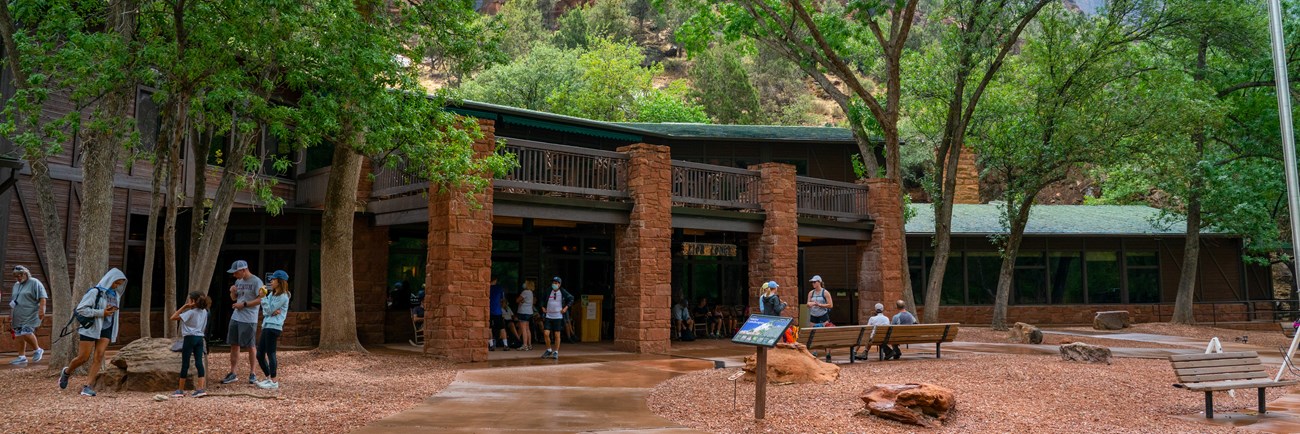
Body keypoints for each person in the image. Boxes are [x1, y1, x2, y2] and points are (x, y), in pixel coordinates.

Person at [59, 268, 126, 396]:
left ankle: (88, 386)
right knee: (83, 358)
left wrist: (110, 310)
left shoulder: (115, 295)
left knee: (99, 356)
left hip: (107, 328)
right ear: (109, 279)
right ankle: (67, 372)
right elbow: (81, 309)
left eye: (120, 284)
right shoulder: (95, 292)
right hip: (91, 328)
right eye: (116, 282)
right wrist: (101, 312)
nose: (117, 286)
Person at [220, 260, 263, 385]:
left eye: (236, 272)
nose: (234, 275)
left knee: (250, 346)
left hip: (249, 318)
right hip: (236, 317)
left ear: (243, 270)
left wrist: (244, 304)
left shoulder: (256, 281)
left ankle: (253, 373)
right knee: (234, 344)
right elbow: (234, 298)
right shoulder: (238, 281)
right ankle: (233, 373)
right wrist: (232, 292)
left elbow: (261, 299)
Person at [171, 291, 210, 398]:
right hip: (200, 338)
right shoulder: (204, 311)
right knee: (199, 362)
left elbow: (173, 317)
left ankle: (180, 390)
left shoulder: (190, 312)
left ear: (192, 301)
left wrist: (185, 306)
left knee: (185, 363)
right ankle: (200, 388)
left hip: (189, 338)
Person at [256, 270, 290, 390]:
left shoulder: (283, 296)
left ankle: (274, 381)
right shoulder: (272, 294)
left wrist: (263, 298)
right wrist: (269, 309)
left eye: (274, 279)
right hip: (266, 326)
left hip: (274, 327)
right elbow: (266, 311)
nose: (271, 281)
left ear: (279, 281)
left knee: (271, 353)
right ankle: (268, 378)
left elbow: (268, 310)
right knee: (259, 354)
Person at [8, 266, 46, 365]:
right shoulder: (16, 285)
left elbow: (42, 297)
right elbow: (13, 301)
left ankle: (38, 350)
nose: (18, 278)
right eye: (16, 276)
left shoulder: (34, 282)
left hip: (31, 313)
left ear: (25, 274)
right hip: (18, 314)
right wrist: (11, 315)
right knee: (18, 334)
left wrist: (42, 310)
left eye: (19, 275)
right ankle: (21, 357)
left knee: (26, 332)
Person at [540, 276, 573, 360]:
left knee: (557, 334)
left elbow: (571, 298)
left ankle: (556, 352)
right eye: (553, 282)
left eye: (556, 283)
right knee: (546, 333)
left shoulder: (562, 291)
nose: (554, 284)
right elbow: (542, 299)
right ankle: (549, 349)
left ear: (559, 284)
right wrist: (542, 307)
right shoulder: (548, 291)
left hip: (558, 316)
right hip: (548, 315)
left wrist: (565, 308)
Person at [515, 279, 535, 351]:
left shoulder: (525, 292)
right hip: (529, 312)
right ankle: (529, 345)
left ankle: (525, 345)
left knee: (523, 329)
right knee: (527, 328)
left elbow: (517, 300)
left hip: (523, 312)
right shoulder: (531, 292)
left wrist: (520, 301)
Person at [489, 277, 508, 351]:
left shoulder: (487, 287)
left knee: (489, 328)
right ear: (495, 280)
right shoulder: (500, 288)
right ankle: (505, 345)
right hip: (497, 311)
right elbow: (503, 300)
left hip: (489, 311)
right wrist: (501, 307)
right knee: (502, 328)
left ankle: (491, 345)